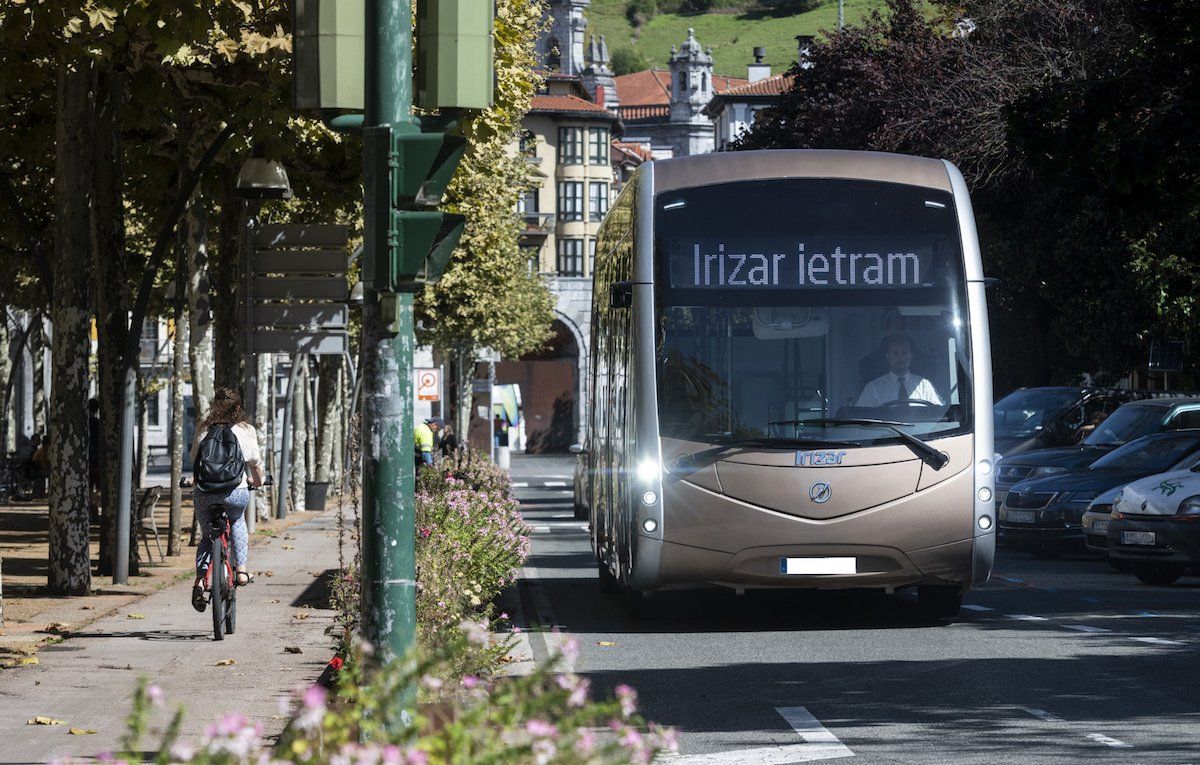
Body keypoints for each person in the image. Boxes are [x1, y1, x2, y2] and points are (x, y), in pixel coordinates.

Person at [190, 388, 263, 612]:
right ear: (238, 408)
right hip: (235, 491)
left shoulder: (204, 428)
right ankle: (240, 570)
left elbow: (195, 459)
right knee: (238, 521)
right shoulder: (246, 430)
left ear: (214, 406)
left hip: (205, 493)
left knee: (207, 535)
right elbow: (255, 465)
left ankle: (201, 581)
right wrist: (257, 482)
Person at [856, 334, 943, 407]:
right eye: (895, 353)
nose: (900, 358)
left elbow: (938, 415)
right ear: (888, 357)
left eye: (904, 353)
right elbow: (860, 418)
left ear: (911, 357)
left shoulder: (925, 386)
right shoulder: (872, 388)